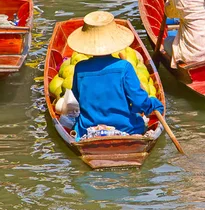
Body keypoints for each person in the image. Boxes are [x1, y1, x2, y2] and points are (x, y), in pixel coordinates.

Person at [67, 11, 164, 139]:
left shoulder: (80, 68)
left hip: (88, 130)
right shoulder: (124, 67)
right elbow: (139, 102)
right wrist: (154, 104)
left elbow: (77, 99)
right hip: (125, 128)